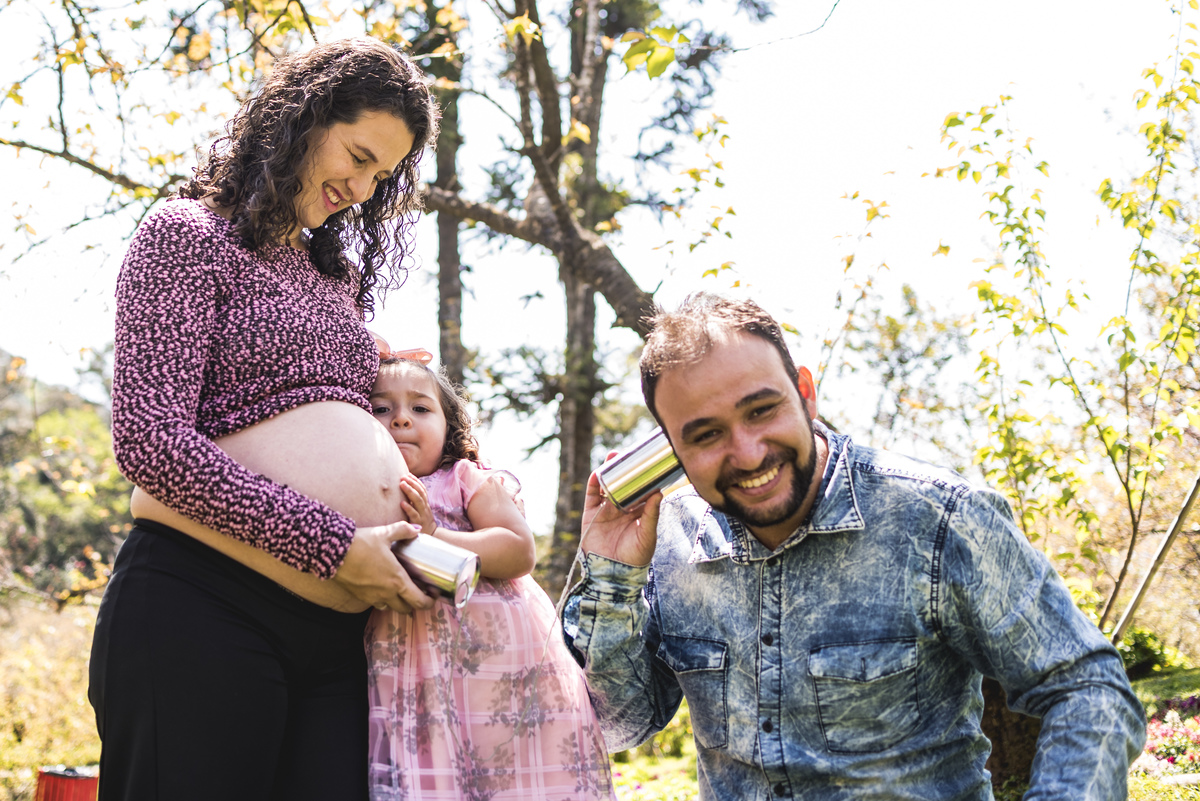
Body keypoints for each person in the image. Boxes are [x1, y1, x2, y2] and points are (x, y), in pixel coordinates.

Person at [562, 292, 1147, 800]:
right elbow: (619, 728)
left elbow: (1085, 687)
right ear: (671, 452)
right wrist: (612, 580)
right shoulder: (663, 546)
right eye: (706, 434)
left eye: (761, 410)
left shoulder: (939, 518)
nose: (746, 453)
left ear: (805, 393)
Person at [89, 39, 440, 801]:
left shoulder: (336, 280)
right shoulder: (188, 235)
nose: (362, 186)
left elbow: (301, 403)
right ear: (301, 120)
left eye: (381, 175)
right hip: (203, 604)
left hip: (335, 640)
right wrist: (331, 541)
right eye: (357, 154)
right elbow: (151, 441)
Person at [364, 354, 615, 800]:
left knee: (515, 772)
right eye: (381, 408)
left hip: (502, 670)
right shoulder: (365, 487)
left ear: (449, 428)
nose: (400, 419)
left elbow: (519, 550)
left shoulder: (461, 478)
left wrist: (435, 534)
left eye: (420, 408)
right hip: (415, 669)